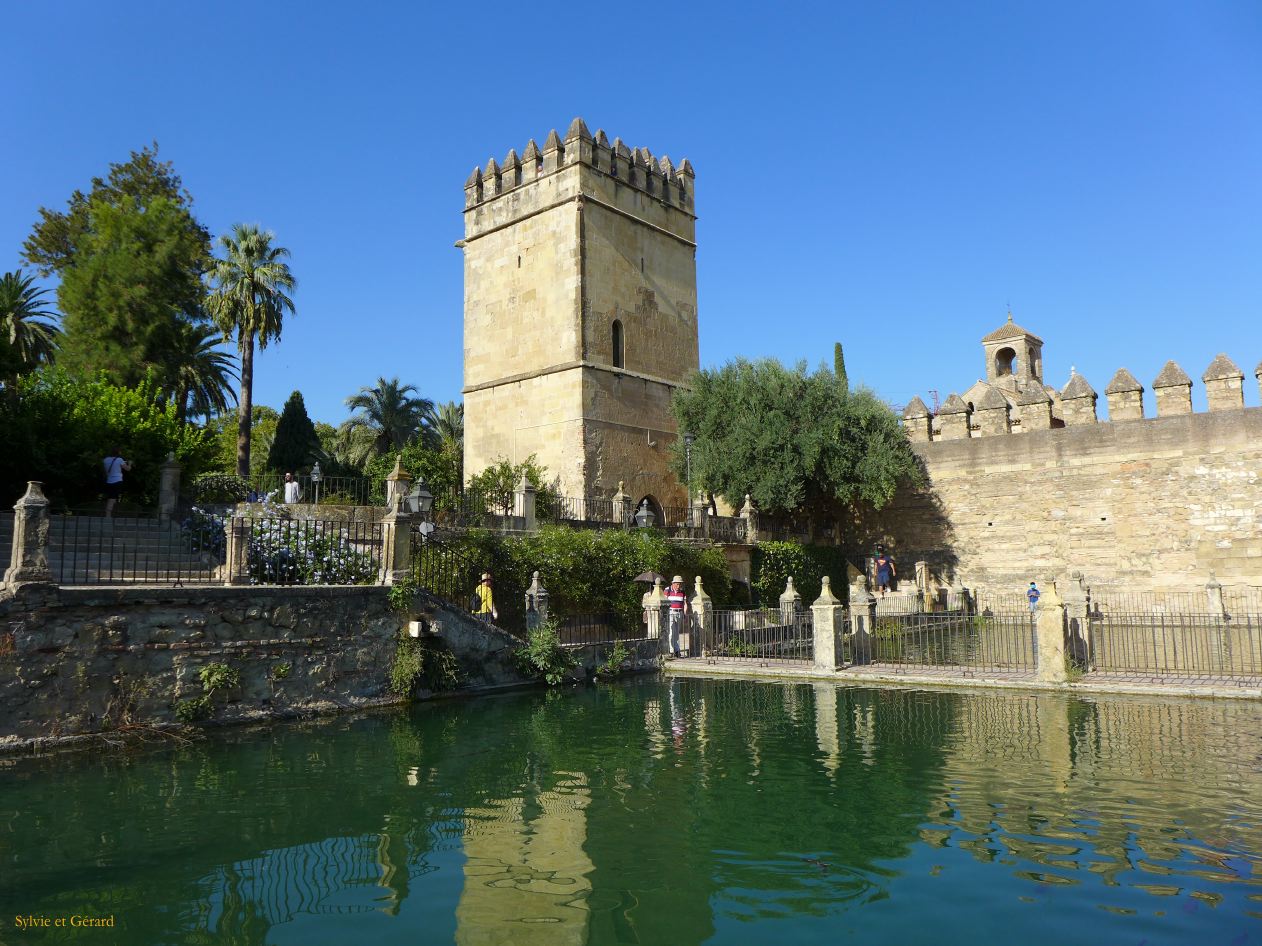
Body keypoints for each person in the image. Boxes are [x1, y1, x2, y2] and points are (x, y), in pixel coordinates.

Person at [101, 449, 132, 519]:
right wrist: (129, 463)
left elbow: (106, 469)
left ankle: (109, 512)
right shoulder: (120, 460)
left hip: (109, 481)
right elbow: (128, 469)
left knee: (112, 498)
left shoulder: (105, 460)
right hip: (117, 481)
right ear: (118, 453)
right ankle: (108, 515)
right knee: (112, 499)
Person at [665, 575, 689, 658]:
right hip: (670, 612)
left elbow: (685, 604)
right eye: (677, 584)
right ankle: (672, 651)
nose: (679, 586)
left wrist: (685, 615)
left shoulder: (682, 591)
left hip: (679, 613)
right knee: (671, 632)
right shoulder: (667, 590)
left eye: (680, 584)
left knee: (676, 633)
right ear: (673, 583)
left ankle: (676, 650)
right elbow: (664, 602)